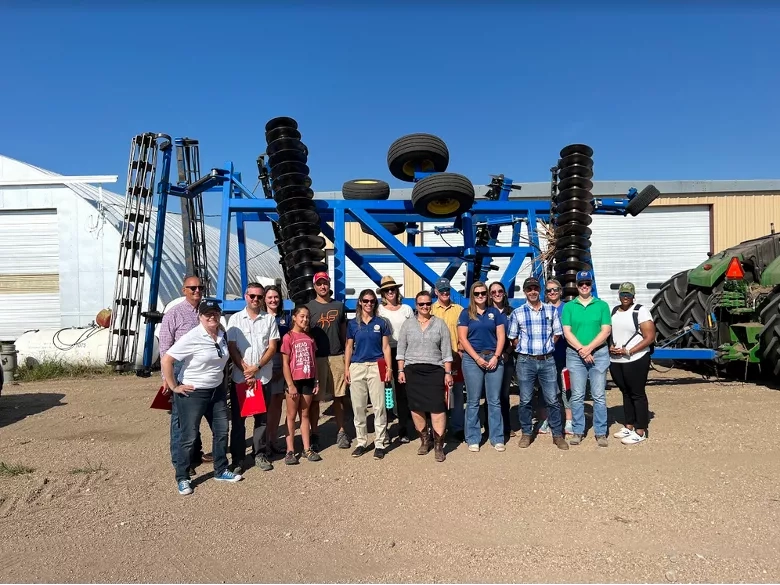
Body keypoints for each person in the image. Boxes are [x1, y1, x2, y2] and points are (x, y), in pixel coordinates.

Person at [161, 299, 242, 495]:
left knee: (221, 432)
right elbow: (167, 359)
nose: (212, 316)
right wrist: (174, 386)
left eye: (215, 312)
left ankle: (221, 470)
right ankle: (182, 477)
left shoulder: (221, 334)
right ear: (200, 317)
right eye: (208, 313)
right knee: (188, 437)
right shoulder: (193, 336)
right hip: (193, 393)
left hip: (217, 392)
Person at [507, 277, 569, 451]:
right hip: (525, 361)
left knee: (553, 399)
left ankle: (557, 435)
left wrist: (546, 347)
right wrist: (524, 349)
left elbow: (557, 333)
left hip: (547, 360)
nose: (532, 291)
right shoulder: (518, 313)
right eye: (529, 289)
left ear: (539, 290)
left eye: (535, 288)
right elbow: (512, 336)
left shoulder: (551, 310)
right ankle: (527, 433)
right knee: (525, 399)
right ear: (525, 292)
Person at [159, 275, 210, 476]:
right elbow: (165, 345)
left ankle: (195, 454)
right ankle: (180, 461)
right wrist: (167, 377)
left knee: (195, 415)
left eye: (200, 287)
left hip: (200, 369)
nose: (197, 291)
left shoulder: (206, 312)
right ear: (184, 290)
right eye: (192, 288)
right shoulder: (174, 314)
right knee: (180, 419)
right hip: (180, 368)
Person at [226, 282, 280, 473]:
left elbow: (272, 347)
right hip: (241, 379)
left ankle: (259, 454)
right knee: (239, 421)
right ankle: (238, 459)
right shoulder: (235, 320)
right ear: (245, 296)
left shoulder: (269, 320)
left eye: (259, 297)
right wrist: (245, 369)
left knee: (262, 420)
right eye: (252, 296)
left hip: (262, 378)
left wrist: (256, 368)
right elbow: (232, 347)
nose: (255, 300)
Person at [396, 291, 454, 462]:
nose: (425, 307)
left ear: (431, 304)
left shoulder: (440, 324)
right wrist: (400, 370)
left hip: (435, 370)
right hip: (412, 371)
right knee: (416, 408)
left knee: (437, 408)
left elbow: (447, 352)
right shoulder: (408, 325)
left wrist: (448, 373)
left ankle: (438, 445)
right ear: (416, 305)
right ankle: (424, 440)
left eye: (428, 303)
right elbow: (401, 350)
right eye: (421, 304)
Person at [561, 270, 613, 447]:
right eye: (581, 283)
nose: (584, 286)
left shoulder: (602, 305)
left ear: (591, 285)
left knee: (598, 395)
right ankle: (577, 431)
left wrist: (589, 348)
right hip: (575, 355)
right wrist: (582, 350)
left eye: (587, 283)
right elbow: (566, 331)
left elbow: (606, 330)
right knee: (577, 395)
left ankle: (600, 432)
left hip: (598, 353)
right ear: (576, 286)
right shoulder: (569, 307)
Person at [457, 280, 507, 452]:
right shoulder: (465, 314)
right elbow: (463, 339)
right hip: (472, 360)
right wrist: (477, 358)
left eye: (483, 293)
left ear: (487, 295)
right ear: (472, 295)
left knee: (494, 400)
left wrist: (496, 356)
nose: (480, 296)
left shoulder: (495, 313)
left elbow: (501, 336)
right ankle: (473, 437)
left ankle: (497, 437)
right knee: (473, 400)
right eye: (477, 293)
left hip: (493, 357)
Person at [345, 288, 393, 459]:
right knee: (359, 407)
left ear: (375, 303)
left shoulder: (381, 323)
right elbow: (349, 347)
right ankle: (361, 441)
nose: (368, 304)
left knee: (379, 406)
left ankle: (379, 443)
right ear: (360, 302)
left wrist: (389, 368)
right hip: (357, 366)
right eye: (365, 301)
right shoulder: (352, 324)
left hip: (377, 365)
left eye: (372, 301)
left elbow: (386, 347)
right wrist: (346, 369)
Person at [306, 272, 350, 451]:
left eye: (325, 283)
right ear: (314, 286)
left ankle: (341, 431)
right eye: (319, 283)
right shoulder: (308, 308)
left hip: (336, 356)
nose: (323, 287)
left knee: (339, 397)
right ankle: (315, 434)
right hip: (317, 358)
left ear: (329, 284)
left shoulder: (339, 306)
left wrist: (347, 358)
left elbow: (344, 334)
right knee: (316, 399)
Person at [609, 282, 655, 445]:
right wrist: (611, 347)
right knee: (625, 392)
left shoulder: (641, 311)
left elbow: (649, 337)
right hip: (616, 360)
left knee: (637, 393)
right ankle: (629, 425)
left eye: (629, 294)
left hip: (635, 359)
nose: (626, 297)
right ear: (619, 295)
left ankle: (640, 430)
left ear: (633, 295)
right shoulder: (614, 311)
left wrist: (629, 351)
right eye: (623, 294)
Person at [280, 305, 323, 464]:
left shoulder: (310, 338)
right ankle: (290, 450)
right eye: (302, 316)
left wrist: (316, 380)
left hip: (308, 380)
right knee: (291, 416)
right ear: (294, 317)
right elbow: (285, 363)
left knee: (305, 415)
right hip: (294, 381)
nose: (305, 319)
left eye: (307, 317)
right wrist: (290, 384)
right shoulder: (288, 337)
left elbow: (314, 362)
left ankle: (306, 448)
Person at [376, 275, 414, 442]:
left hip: (403, 352)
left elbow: (413, 330)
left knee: (402, 390)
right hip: (384, 351)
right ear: (383, 293)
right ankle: (384, 429)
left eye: (392, 288)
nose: (390, 292)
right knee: (384, 391)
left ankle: (403, 427)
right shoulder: (378, 310)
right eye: (387, 290)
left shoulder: (406, 309)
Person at [431, 277, 465, 443]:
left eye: (447, 290)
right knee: (437, 394)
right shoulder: (430, 310)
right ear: (436, 292)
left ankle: (458, 428)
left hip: (455, 358)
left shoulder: (459, 310)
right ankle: (438, 429)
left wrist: (461, 351)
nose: (445, 293)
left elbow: (463, 333)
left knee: (457, 393)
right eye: (441, 290)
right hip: (435, 360)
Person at [262, 285, 289, 455]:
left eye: (276, 297)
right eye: (270, 297)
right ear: (264, 299)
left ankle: (273, 440)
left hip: (282, 361)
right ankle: (263, 442)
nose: (273, 300)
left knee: (278, 404)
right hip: (266, 362)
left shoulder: (285, 318)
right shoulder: (261, 318)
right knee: (266, 405)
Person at [488, 280, 515, 439]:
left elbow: (517, 335)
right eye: (493, 292)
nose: (497, 294)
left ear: (504, 293)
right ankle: (489, 426)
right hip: (489, 357)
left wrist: (508, 351)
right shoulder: (487, 312)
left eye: (499, 291)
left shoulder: (511, 312)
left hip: (506, 357)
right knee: (490, 394)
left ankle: (506, 426)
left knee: (504, 394)